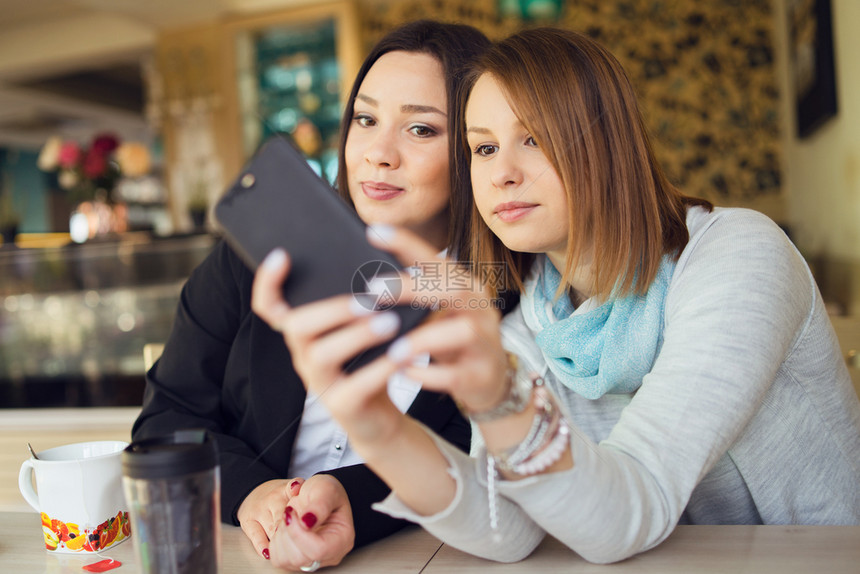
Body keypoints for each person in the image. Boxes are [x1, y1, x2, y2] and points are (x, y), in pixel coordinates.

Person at [253, 27, 860, 566]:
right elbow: (506, 524)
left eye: (534, 139)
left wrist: (500, 397)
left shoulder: (738, 255)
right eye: (484, 147)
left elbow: (636, 501)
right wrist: (382, 433)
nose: (501, 173)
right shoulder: (532, 313)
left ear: (607, 143)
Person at [132, 19, 491, 572]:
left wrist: (350, 499)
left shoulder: (496, 301)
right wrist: (253, 493)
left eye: (421, 130)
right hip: (239, 552)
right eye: (365, 120)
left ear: (475, 147)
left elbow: (475, 463)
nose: (377, 153)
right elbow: (165, 424)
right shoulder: (255, 258)